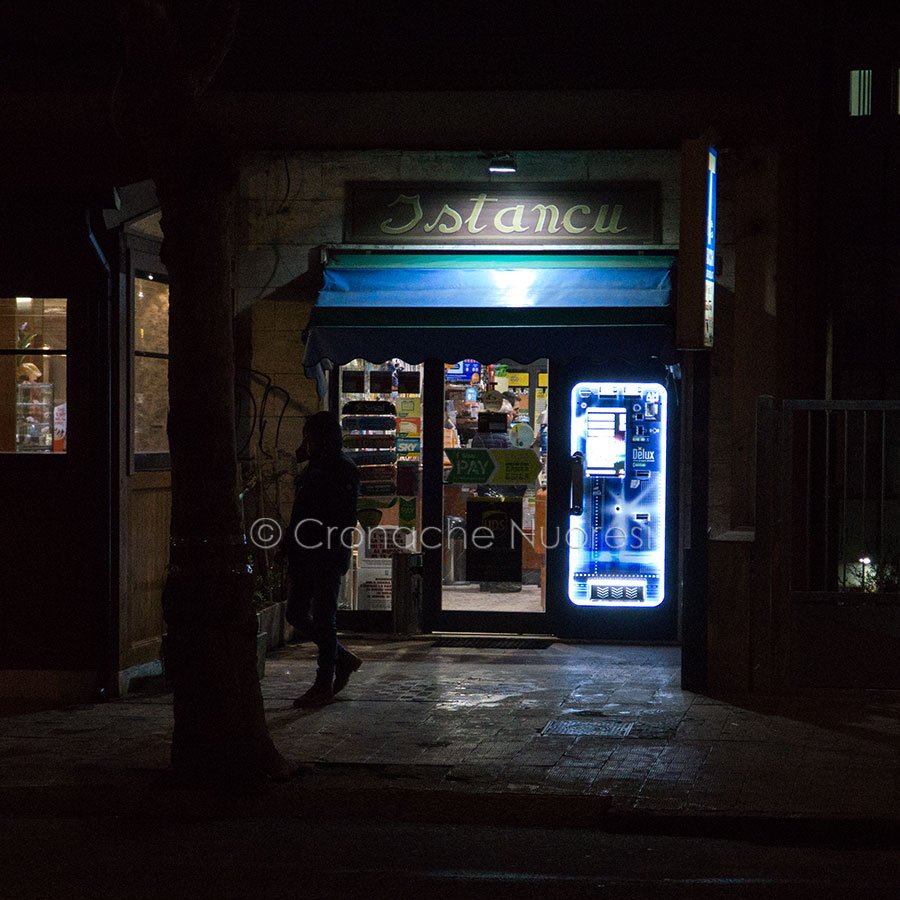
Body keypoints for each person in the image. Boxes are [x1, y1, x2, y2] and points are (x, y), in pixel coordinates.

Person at [285, 410, 362, 708]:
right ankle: (342, 658)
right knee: (296, 613)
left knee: (323, 618)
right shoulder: (315, 467)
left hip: (326, 554)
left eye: (311, 436)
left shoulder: (342, 469)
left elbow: (339, 517)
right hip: (305, 552)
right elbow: (302, 509)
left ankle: (323, 682)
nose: (307, 442)